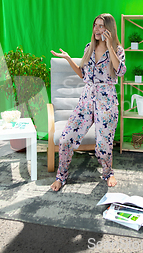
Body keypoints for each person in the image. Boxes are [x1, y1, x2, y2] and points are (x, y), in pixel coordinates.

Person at [50, 13, 126, 192]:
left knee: (103, 143)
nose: (97, 30)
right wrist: (69, 59)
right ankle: (61, 176)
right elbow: (84, 75)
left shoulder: (118, 50)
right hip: (86, 99)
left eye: (101, 26)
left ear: (109, 29)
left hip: (106, 101)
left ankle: (108, 173)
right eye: (95, 25)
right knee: (66, 138)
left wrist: (109, 47)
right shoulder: (88, 48)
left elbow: (121, 71)